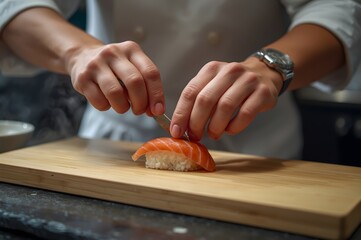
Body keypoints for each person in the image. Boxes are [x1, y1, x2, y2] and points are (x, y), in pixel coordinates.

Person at [0, 0, 360, 160]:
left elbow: (337, 6)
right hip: (113, 146)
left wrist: (272, 66)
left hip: (257, 147)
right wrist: (76, 52)